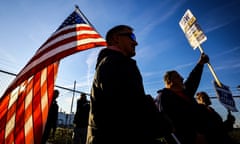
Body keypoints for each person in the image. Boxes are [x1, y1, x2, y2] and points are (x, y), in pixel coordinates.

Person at [87, 25, 170, 144]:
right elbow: (128, 110)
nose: (136, 42)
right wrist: (163, 125)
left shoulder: (115, 63)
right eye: (131, 36)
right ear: (116, 39)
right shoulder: (113, 63)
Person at [155, 53, 209, 144]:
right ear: (169, 81)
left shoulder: (185, 94)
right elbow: (169, 123)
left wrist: (200, 64)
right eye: (177, 77)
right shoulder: (163, 97)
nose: (182, 78)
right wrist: (193, 136)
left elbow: (192, 80)